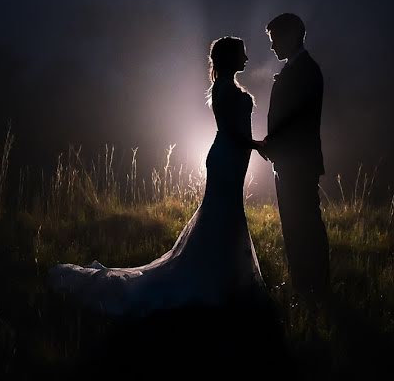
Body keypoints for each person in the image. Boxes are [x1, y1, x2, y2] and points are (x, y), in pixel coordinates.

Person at [47, 36, 267, 316]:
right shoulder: (225, 90)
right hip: (227, 158)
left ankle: (228, 277)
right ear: (229, 58)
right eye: (242, 54)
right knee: (224, 213)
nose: (246, 59)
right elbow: (233, 132)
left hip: (232, 158)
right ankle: (223, 280)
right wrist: (257, 145)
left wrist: (253, 146)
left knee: (228, 214)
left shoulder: (226, 88)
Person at [259, 13, 330, 299]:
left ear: (291, 36)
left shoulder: (306, 71)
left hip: (297, 162)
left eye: (275, 39)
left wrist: (272, 144)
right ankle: (304, 283)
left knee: (305, 224)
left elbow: (296, 120)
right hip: (290, 161)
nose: (273, 46)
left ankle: (314, 286)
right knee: (294, 223)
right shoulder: (299, 69)